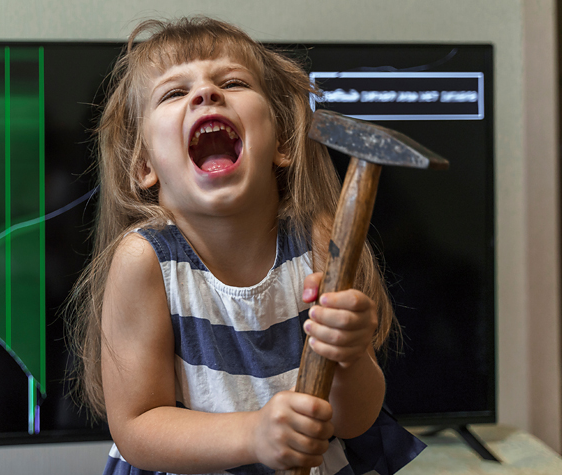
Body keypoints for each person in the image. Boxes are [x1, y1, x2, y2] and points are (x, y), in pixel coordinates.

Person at [68, 16, 425, 475]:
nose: (206, 93)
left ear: (282, 143)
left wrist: (350, 355)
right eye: (175, 93)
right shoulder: (145, 261)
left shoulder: (317, 243)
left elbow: (355, 422)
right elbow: (137, 427)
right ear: (143, 166)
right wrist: (254, 435)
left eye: (233, 82)